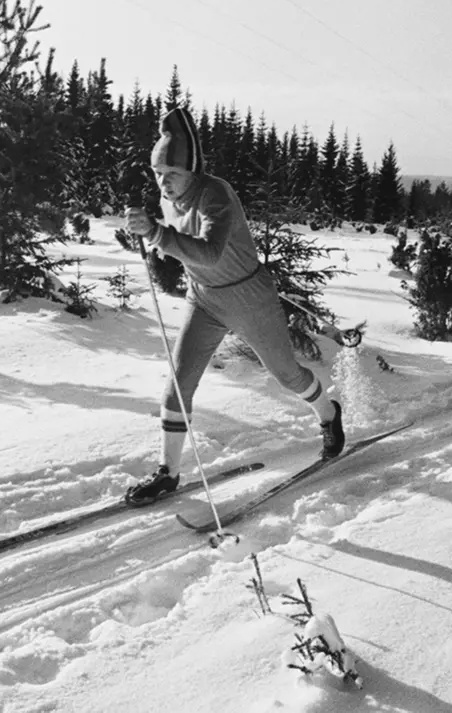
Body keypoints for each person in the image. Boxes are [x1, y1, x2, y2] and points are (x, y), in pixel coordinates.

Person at [123, 107, 344, 506]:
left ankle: (329, 416)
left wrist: (156, 233)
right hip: (204, 298)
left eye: (171, 174)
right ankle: (168, 473)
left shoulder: (216, 194)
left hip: (249, 298)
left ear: (191, 170)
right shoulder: (167, 195)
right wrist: (142, 235)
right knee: (178, 384)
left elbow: (208, 252)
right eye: (157, 174)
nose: (163, 183)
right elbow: (178, 246)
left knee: (288, 377)